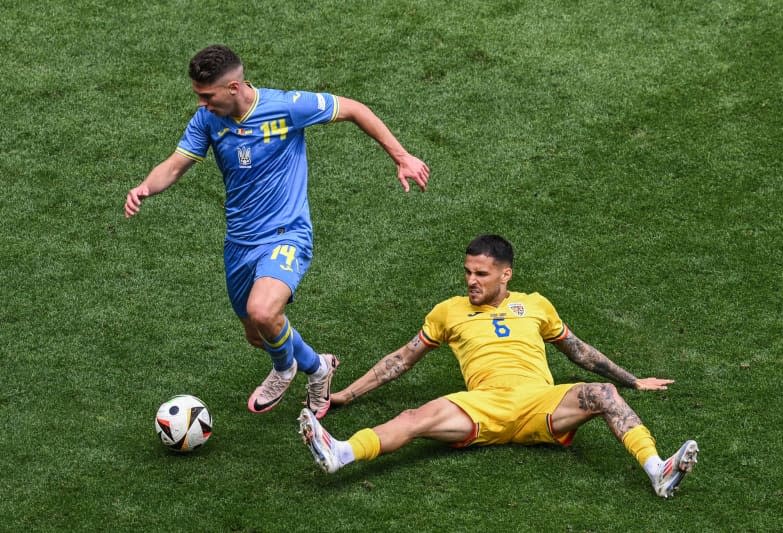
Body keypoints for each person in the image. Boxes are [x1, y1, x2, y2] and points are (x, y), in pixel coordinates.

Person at [124, 45, 430, 419]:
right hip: (238, 243)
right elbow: (174, 165)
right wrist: (144, 187)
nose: (201, 103)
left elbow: (353, 109)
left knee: (263, 311)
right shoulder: (207, 120)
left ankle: (290, 370)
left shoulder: (286, 107)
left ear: (234, 87)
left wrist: (401, 156)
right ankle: (318, 365)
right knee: (258, 334)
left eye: (207, 95)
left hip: (287, 233)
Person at [298, 234, 698, 497]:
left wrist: (633, 381)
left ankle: (657, 471)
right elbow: (401, 360)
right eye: (468, 272)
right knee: (414, 415)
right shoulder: (448, 312)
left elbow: (579, 351)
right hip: (482, 405)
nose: (471, 281)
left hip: (542, 404)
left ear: (505, 275)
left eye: (481, 274)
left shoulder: (537, 305)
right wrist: (346, 394)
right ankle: (341, 453)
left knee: (601, 394)